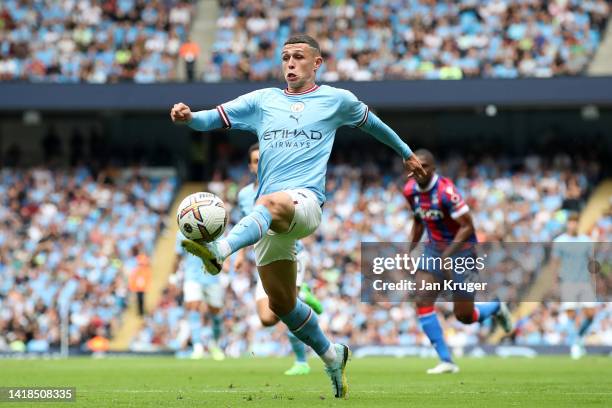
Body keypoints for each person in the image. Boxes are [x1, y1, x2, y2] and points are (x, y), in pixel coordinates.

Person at [170, 34, 425, 399]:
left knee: (271, 203)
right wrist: (189, 117)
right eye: (286, 57)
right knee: (280, 305)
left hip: (304, 204)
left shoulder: (336, 100)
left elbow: (373, 124)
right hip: (269, 219)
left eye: (299, 57)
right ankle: (331, 354)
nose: (290, 63)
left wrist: (405, 152)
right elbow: (212, 119)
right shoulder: (264, 101)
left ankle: (220, 250)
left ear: (316, 63)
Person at [403, 149, 512, 374]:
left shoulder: (446, 191)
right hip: (433, 249)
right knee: (422, 299)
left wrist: (448, 254)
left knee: (464, 316)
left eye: (424, 165)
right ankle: (447, 361)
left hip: (462, 251)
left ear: (433, 169)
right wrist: (408, 250)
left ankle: (496, 307)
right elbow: (419, 221)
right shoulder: (410, 191)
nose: (419, 169)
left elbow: (468, 226)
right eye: (415, 165)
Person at [235, 143, 323, 375]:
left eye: (262, 160)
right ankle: (302, 294)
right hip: (264, 255)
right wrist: (241, 253)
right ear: (250, 166)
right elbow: (248, 225)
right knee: (267, 318)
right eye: (255, 161)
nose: (259, 165)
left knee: (287, 307)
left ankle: (301, 361)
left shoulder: (282, 190)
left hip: (291, 253)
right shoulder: (244, 195)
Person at [551, 212, 598, 359]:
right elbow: (555, 264)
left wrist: (594, 280)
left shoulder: (586, 241)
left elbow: (592, 262)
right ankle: (576, 344)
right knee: (571, 315)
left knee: (591, 314)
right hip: (568, 283)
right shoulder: (560, 241)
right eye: (571, 222)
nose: (573, 225)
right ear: (567, 224)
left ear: (579, 224)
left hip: (584, 282)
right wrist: (554, 284)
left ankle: (577, 339)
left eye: (576, 222)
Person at [176, 234, 226, 360]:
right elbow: (178, 254)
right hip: (192, 275)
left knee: (216, 312)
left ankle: (214, 345)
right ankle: (197, 346)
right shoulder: (183, 229)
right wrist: (173, 275)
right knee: (193, 307)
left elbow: (225, 250)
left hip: (212, 276)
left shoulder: (216, 225)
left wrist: (226, 272)